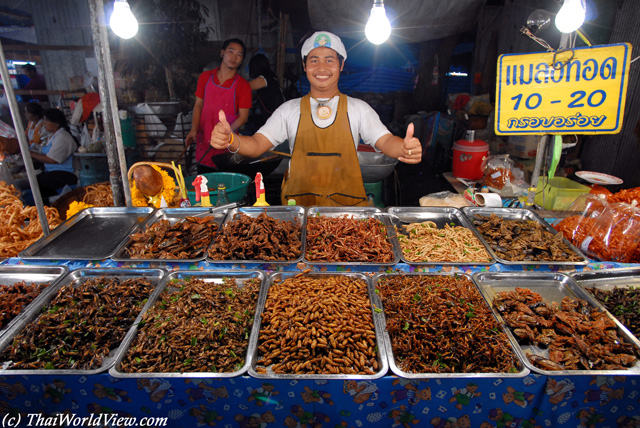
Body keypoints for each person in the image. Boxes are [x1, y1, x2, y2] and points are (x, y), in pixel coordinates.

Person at [209, 31, 422, 206]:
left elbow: (385, 141)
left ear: (341, 65)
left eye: (329, 60)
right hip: (300, 213)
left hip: (348, 216)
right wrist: (231, 140)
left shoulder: (359, 109)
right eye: (314, 60)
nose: (321, 68)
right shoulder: (288, 110)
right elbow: (256, 144)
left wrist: (403, 147)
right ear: (304, 66)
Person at [185, 38, 252, 174]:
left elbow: (243, 117)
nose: (234, 57)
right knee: (204, 185)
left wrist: (225, 133)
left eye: (239, 55)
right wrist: (193, 129)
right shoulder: (205, 77)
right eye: (230, 52)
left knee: (226, 184)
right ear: (222, 53)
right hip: (204, 140)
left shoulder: (243, 86)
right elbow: (198, 105)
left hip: (227, 144)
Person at [28, 108, 78, 202]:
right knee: (35, 179)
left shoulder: (63, 137)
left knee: (40, 182)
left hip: (66, 174)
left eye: (47, 120)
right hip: (54, 171)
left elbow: (52, 159)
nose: (44, 123)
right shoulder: (54, 135)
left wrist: (31, 154)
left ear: (57, 123)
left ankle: (49, 204)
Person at [247, 54, 285, 130]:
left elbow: (243, 88)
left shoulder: (263, 79)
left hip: (274, 119)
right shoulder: (271, 77)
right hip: (278, 117)